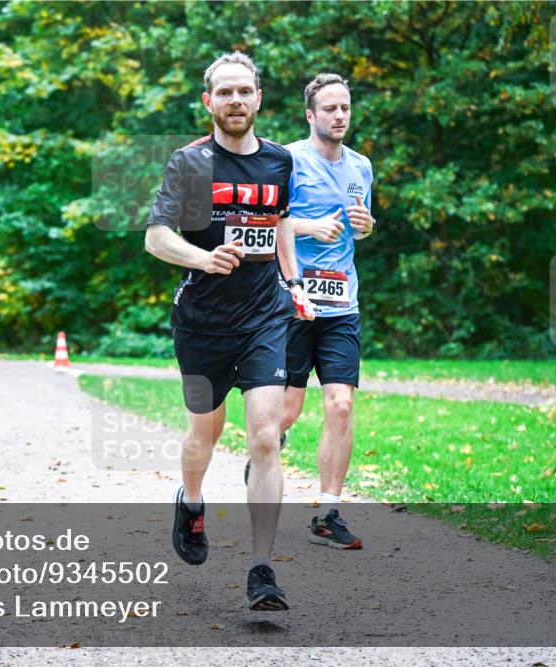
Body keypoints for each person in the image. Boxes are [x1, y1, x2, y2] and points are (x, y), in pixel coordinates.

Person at [145, 52, 314, 610]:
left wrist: (294, 281)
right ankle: (191, 502)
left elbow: (280, 220)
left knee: (265, 437)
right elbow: (155, 236)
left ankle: (262, 568)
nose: (235, 101)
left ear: (259, 98)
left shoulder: (280, 161)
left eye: (244, 91)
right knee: (205, 436)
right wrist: (203, 257)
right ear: (208, 102)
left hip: (264, 316)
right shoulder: (189, 163)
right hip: (202, 323)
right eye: (224, 93)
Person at [254, 73, 375, 550]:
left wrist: (366, 225)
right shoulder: (285, 161)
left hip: (342, 304)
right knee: (286, 410)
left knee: (341, 404)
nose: (339, 116)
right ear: (310, 115)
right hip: (293, 300)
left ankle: (328, 513)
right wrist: (310, 226)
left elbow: (357, 228)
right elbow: (266, 223)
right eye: (329, 108)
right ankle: (266, 451)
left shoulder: (361, 166)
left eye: (345, 107)